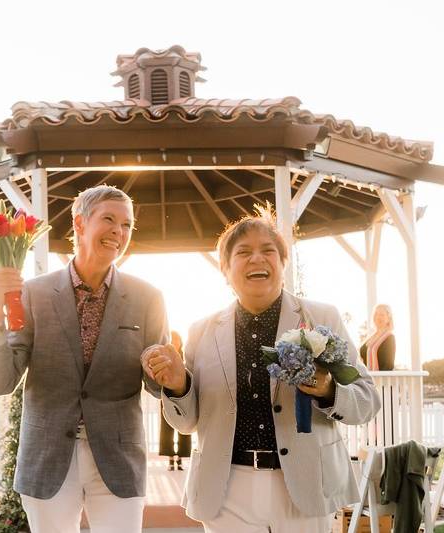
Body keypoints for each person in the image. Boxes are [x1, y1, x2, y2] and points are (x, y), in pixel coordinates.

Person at [142, 209, 381, 533]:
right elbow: (186, 423)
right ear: (225, 269)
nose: (257, 258)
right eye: (243, 252)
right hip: (225, 492)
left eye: (268, 250)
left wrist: (329, 390)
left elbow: (367, 401)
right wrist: (178, 386)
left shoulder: (322, 317)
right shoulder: (201, 331)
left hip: (307, 485)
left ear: (283, 264)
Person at [0, 185, 169, 533]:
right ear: (79, 224)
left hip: (118, 459)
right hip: (47, 457)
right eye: (109, 219)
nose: (119, 231)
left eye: (127, 225)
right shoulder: (33, 293)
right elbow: (2, 381)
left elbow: (159, 387)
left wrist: (167, 372)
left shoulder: (148, 298)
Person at [158, 330, 191, 471]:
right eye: (171, 340)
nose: (174, 343)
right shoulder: (163, 357)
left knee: (184, 429)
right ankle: (170, 458)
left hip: (184, 397)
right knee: (167, 429)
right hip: (166, 397)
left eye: (176, 340)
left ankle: (180, 459)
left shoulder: (186, 357)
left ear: (180, 342)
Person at [360, 304, 396, 371]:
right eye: (376, 314)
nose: (378, 317)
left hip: (380, 379)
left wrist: (377, 379)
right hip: (366, 378)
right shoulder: (371, 337)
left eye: (382, 315)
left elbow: (389, 365)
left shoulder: (389, 338)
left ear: (389, 318)